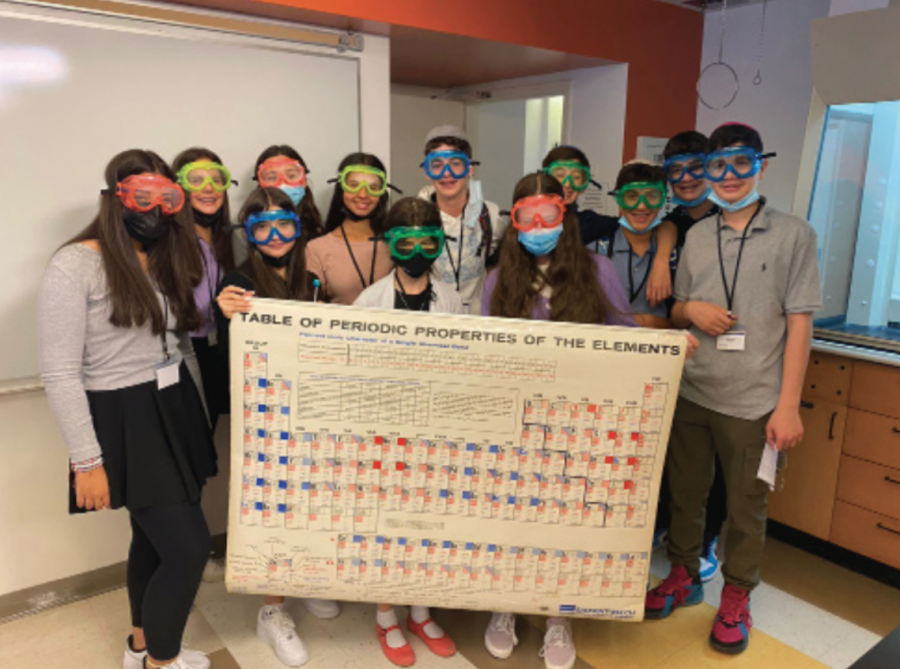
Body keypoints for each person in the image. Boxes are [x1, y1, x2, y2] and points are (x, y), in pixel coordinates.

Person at [645, 123, 821, 655]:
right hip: (694, 390)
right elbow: (676, 308)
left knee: (746, 505)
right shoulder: (698, 235)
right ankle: (683, 574)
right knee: (686, 493)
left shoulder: (794, 235)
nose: (726, 177)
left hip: (753, 401)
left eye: (740, 164)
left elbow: (800, 325)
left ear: (760, 166)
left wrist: (787, 405)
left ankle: (738, 594)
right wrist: (688, 310)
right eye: (715, 166)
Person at [38, 149, 217, 669]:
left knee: (153, 540)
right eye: (144, 196)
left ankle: (141, 645)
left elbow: (178, 343)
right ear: (115, 196)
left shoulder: (164, 255)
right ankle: (163, 661)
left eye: (168, 197)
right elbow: (60, 373)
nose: (156, 208)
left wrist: (196, 418)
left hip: (173, 403)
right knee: (187, 551)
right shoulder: (77, 264)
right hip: (124, 415)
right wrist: (87, 462)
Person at [480, 172, 636, 669]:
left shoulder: (600, 272)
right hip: (515, 428)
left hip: (578, 428)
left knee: (567, 526)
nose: (539, 225)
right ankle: (505, 605)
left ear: (564, 217)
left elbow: (629, 344)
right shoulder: (498, 281)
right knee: (512, 522)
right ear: (515, 223)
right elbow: (481, 356)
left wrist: (671, 350)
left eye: (548, 215)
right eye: (528, 217)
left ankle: (558, 617)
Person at [215, 187, 333, 667]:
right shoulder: (239, 282)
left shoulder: (310, 278)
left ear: (299, 226)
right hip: (264, 419)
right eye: (261, 227)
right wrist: (225, 312)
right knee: (270, 512)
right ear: (248, 234)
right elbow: (229, 352)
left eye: (283, 223)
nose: (275, 235)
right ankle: (272, 611)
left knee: (309, 502)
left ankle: (300, 582)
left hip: (310, 412)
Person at [355, 198, 462, 666]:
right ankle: (386, 618)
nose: (417, 250)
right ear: (389, 244)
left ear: (440, 244)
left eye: (428, 241)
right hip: (384, 430)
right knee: (388, 526)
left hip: (436, 429)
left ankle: (420, 610)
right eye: (406, 241)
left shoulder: (452, 297)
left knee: (430, 525)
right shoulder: (368, 300)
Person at [658, 131, 726, 581]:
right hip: (674, 355)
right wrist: (664, 252)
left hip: (721, 359)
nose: (686, 179)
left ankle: (706, 542)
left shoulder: (731, 221)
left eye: (695, 168)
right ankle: (674, 531)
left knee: (715, 463)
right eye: (676, 171)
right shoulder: (668, 224)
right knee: (676, 457)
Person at [541, 145, 677, 307]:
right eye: (559, 175)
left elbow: (664, 226)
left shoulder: (591, 224)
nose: (567, 184)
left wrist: (661, 260)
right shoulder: (524, 224)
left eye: (577, 177)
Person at [172, 148, 236, 427]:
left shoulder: (231, 237)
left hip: (224, 348)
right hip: (185, 352)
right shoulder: (168, 239)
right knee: (192, 435)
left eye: (216, 179)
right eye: (196, 180)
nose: (208, 188)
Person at [418, 125, 507, 313]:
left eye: (456, 163)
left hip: (477, 320)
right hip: (431, 319)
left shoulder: (489, 215)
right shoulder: (416, 217)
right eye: (437, 165)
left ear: (470, 169)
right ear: (427, 171)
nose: (447, 173)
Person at [306, 153, 395, 304]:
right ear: (341, 188)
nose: (363, 194)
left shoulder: (396, 243)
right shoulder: (317, 248)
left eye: (373, 187)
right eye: (353, 185)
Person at [254, 145, 324, 239]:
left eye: (291, 176)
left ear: (304, 181)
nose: (283, 185)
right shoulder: (247, 234)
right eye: (271, 178)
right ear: (259, 186)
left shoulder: (321, 233)